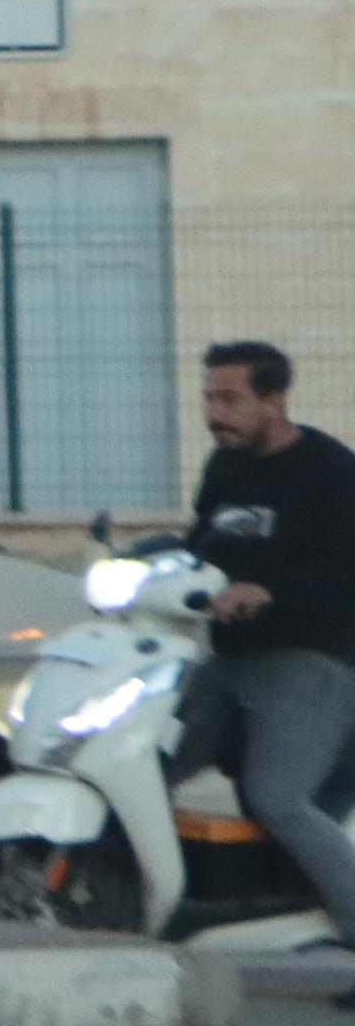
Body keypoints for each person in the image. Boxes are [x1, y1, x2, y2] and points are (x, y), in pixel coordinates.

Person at [188, 340, 355, 989]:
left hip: (308, 660)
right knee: (151, 758)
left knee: (278, 796)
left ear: (274, 399)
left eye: (229, 397)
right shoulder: (224, 466)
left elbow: (346, 573)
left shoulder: (328, 470)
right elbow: (198, 541)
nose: (214, 411)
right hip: (225, 658)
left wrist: (272, 593)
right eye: (208, 396)